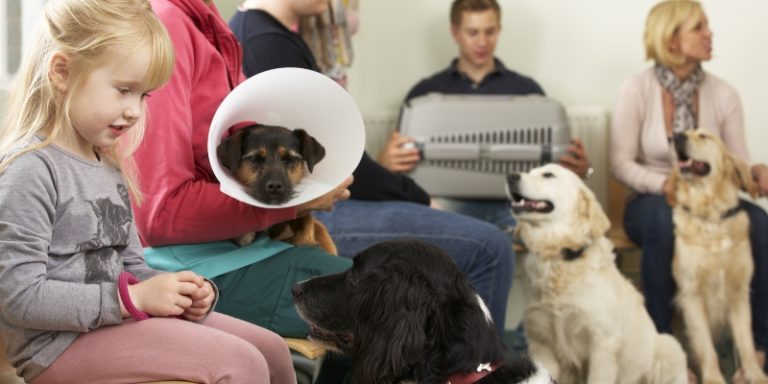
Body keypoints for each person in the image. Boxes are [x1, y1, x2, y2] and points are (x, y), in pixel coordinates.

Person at [0, 1, 295, 383]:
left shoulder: (108, 167)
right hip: (57, 347)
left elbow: (133, 268)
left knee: (271, 350)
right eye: (124, 90)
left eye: (144, 96)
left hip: (114, 322)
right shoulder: (30, 169)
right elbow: (18, 298)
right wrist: (132, 300)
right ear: (62, 72)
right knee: (242, 364)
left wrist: (180, 291)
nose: (136, 111)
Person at [230, 0, 514, 339]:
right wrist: (419, 198)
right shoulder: (267, 44)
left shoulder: (269, 36)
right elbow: (346, 163)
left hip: (325, 201)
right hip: (317, 211)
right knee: (491, 250)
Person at [133, 0, 353, 340]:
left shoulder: (206, 24)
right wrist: (295, 204)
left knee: (391, 295)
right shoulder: (169, 27)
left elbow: (237, 127)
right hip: (187, 269)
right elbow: (159, 214)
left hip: (234, 250)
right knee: (395, 305)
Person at [610, 0, 768, 378]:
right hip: (651, 198)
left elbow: (736, 160)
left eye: (707, 26)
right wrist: (663, 183)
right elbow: (619, 163)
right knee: (665, 223)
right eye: (699, 27)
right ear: (672, 38)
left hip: (710, 199)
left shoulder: (723, 94)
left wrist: (755, 172)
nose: (709, 33)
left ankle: (759, 352)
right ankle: (663, 350)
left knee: (761, 224)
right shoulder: (636, 88)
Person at [387, 0, 592, 233]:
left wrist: (582, 169)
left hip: (516, 204)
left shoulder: (527, 90)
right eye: (472, 32)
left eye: (490, 31)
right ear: (455, 32)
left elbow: (552, 173)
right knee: (424, 226)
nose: (482, 42)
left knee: (558, 226)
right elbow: (398, 167)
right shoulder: (423, 94)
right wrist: (387, 162)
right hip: (447, 203)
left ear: (500, 29)